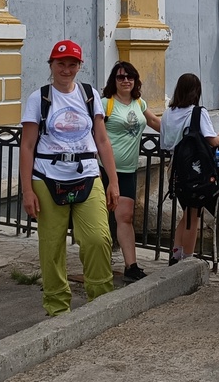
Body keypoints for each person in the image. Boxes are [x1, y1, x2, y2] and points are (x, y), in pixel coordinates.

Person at [19, 40, 120, 316]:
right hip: (47, 177)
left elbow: (102, 139)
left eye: (72, 64)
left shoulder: (89, 95)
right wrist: (27, 190)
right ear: (51, 65)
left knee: (98, 239)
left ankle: (101, 302)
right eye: (61, 64)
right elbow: (27, 146)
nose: (66, 69)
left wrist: (113, 180)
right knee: (51, 246)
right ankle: (57, 307)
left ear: (79, 66)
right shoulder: (39, 98)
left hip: (87, 174)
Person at [101, 61, 162, 282]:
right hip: (104, 170)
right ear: (113, 81)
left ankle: (131, 266)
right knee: (101, 217)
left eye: (130, 77)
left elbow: (155, 122)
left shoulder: (139, 103)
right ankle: (98, 263)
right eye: (120, 77)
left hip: (128, 171)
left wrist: (186, 134)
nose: (125, 80)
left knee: (124, 217)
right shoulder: (105, 104)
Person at [160, 73, 219, 264]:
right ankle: (187, 261)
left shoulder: (167, 114)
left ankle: (176, 255)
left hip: (175, 169)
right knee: (193, 217)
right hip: (195, 170)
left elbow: (165, 144)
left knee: (187, 213)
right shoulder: (198, 113)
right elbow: (212, 140)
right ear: (197, 91)